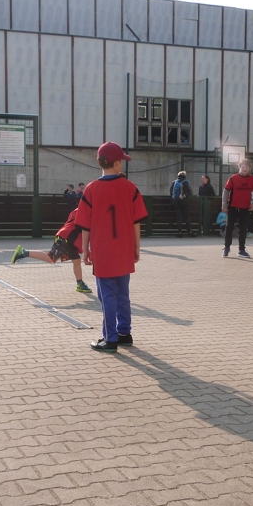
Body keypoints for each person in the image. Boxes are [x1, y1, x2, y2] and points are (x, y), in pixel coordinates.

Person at [75, 142, 148, 353]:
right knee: (123, 294)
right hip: (124, 249)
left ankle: (110, 338)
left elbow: (85, 225)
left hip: (103, 251)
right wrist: (137, 247)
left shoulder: (91, 189)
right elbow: (136, 222)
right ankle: (125, 333)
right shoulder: (130, 187)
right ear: (116, 163)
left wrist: (85, 250)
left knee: (107, 295)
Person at [11, 205, 92, 294]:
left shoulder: (78, 210)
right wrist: (87, 248)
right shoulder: (85, 212)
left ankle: (80, 283)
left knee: (76, 261)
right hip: (66, 238)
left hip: (68, 239)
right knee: (50, 258)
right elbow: (85, 229)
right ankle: (24, 252)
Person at [222, 159, 253, 258]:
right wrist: (224, 205)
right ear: (239, 167)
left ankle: (241, 250)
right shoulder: (233, 178)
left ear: (249, 168)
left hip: (245, 208)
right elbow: (226, 191)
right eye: (243, 167)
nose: (245, 169)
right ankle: (226, 247)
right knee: (229, 227)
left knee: (243, 229)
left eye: (247, 167)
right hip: (233, 207)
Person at [169, 171, 193, 238]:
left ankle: (180, 232)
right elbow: (190, 192)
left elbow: (171, 192)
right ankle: (189, 232)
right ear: (185, 176)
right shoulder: (186, 182)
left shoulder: (174, 182)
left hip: (177, 202)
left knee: (179, 217)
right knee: (187, 216)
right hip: (185, 202)